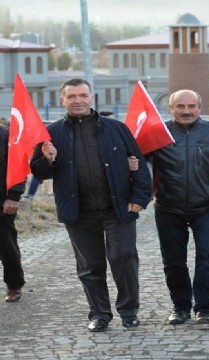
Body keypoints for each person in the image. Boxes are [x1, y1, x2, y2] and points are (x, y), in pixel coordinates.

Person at [30, 78, 152, 332]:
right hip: (79, 211)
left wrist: (140, 200)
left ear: (91, 98)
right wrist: (48, 159)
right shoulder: (50, 133)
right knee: (90, 265)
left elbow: (139, 164)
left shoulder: (116, 128)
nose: (78, 101)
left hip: (117, 208)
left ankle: (129, 311)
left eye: (83, 95)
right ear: (62, 99)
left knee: (123, 258)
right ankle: (99, 314)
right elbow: (39, 172)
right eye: (72, 96)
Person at [149, 89, 209, 325]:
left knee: (208, 257)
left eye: (191, 106)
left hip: (206, 209)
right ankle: (180, 307)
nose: (186, 111)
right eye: (180, 106)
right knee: (173, 261)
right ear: (170, 108)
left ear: (200, 108)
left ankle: (204, 308)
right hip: (168, 208)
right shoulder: (158, 133)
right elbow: (141, 164)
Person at [0, 125, 26, 303]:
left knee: (6, 245)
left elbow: (18, 165)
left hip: (3, 202)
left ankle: (14, 285)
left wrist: (14, 196)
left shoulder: (5, 134)